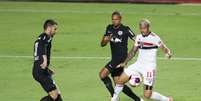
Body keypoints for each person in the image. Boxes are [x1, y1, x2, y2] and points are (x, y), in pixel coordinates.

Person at [112, 19, 173, 101]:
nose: (142, 30)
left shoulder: (155, 38)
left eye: (144, 28)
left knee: (147, 95)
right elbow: (133, 51)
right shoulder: (138, 37)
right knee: (120, 81)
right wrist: (125, 62)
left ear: (148, 28)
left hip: (149, 68)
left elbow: (164, 47)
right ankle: (114, 99)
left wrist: (168, 53)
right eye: (141, 28)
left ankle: (167, 99)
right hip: (138, 65)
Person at [99, 11, 142, 101]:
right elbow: (102, 44)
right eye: (113, 19)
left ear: (120, 19)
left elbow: (136, 39)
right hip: (114, 57)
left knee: (102, 74)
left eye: (116, 19)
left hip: (121, 58)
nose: (114, 21)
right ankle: (137, 99)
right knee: (119, 83)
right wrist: (106, 40)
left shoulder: (125, 29)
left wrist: (141, 45)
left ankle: (114, 97)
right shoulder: (109, 28)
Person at [32, 19, 63, 101]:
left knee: (57, 95)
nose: (56, 31)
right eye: (54, 29)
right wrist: (45, 61)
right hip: (41, 71)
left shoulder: (42, 38)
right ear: (49, 28)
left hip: (41, 70)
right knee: (54, 95)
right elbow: (42, 47)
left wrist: (47, 68)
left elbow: (38, 51)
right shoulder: (45, 37)